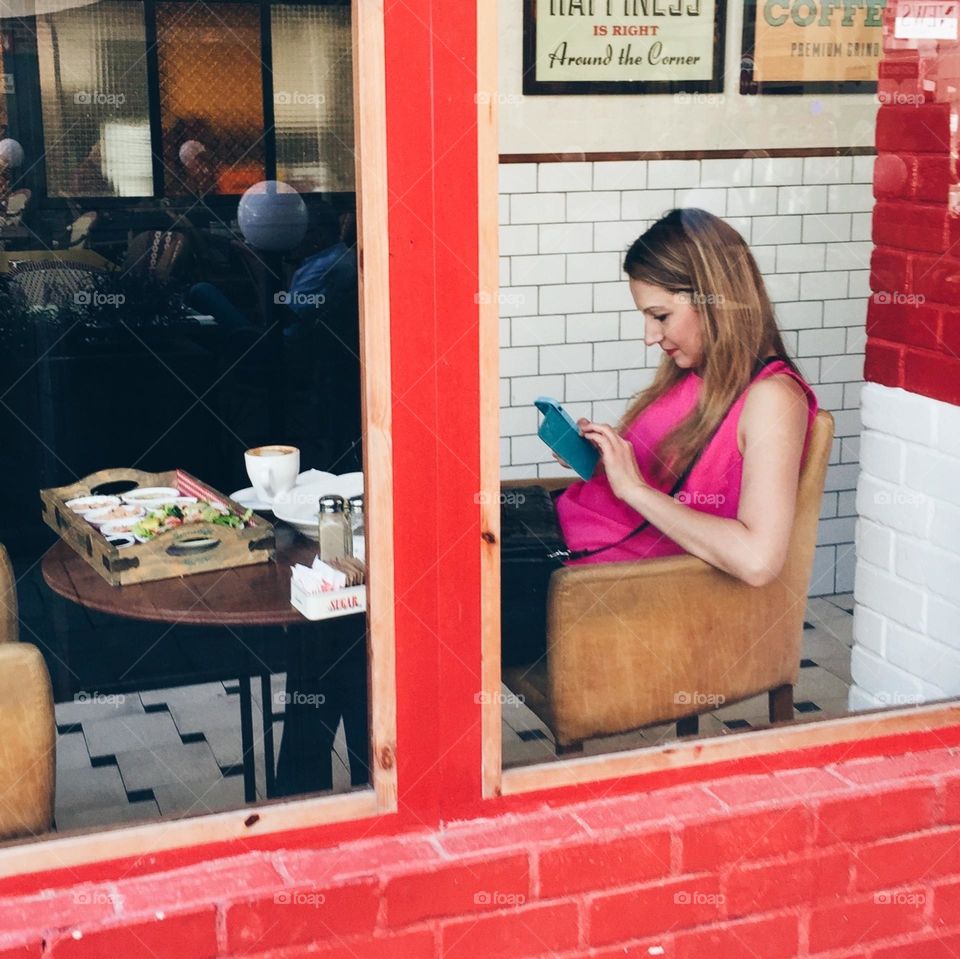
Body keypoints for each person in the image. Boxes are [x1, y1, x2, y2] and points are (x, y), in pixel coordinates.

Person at [501, 208, 819, 667]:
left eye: (660, 316)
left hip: (587, 582)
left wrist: (633, 488)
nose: (650, 337)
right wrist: (603, 462)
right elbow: (669, 485)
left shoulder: (772, 399)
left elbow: (757, 559)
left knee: (417, 607)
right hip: (563, 531)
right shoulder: (697, 371)